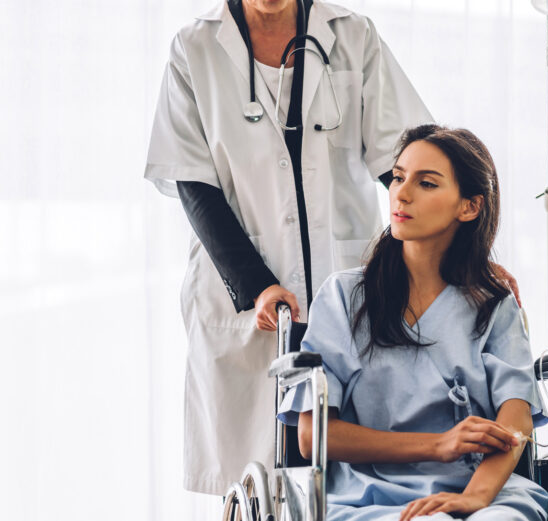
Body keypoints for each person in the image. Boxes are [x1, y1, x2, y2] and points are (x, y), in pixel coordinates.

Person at [144, 0, 433, 495]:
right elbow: (194, 183)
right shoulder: (194, 48)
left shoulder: (352, 34)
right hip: (245, 293)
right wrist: (256, 285)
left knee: (350, 481)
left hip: (343, 290)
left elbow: (403, 161)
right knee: (256, 486)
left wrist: (459, 257)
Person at [278, 124, 548, 521]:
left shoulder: (493, 302)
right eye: (399, 177)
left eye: (426, 184)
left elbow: (514, 421)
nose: (401, 193)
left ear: (469, 207)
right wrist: (439, 444)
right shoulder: (344, 297)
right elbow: (312, 435)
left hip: (482, 489)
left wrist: (475, 498)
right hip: (365, 496)